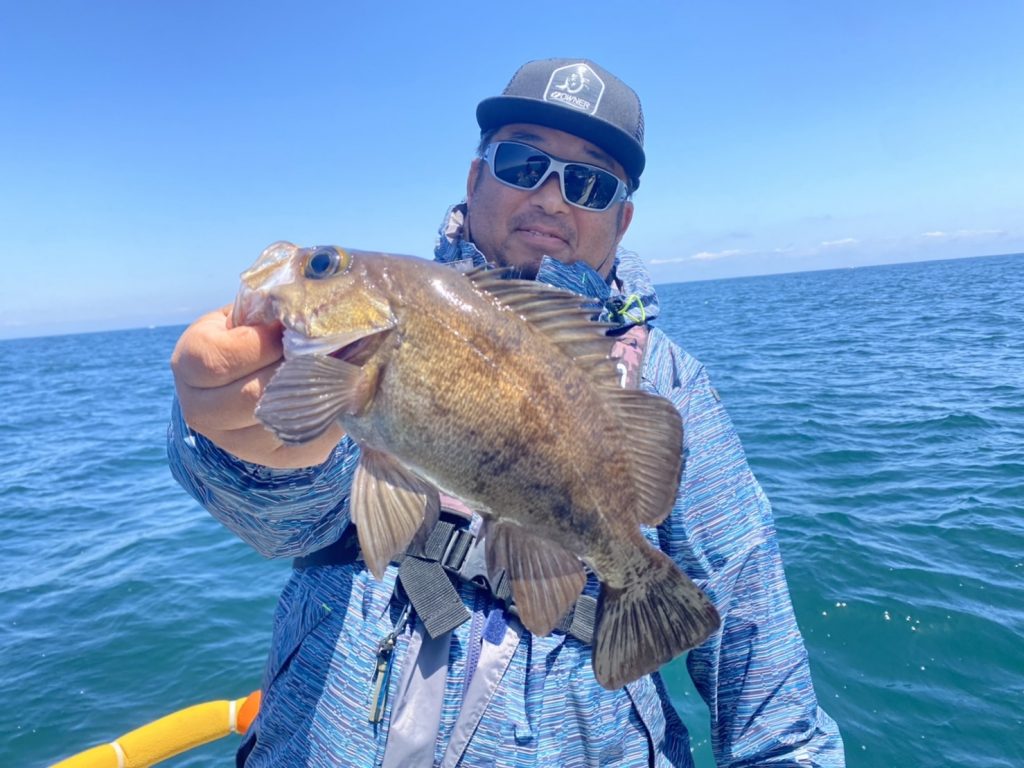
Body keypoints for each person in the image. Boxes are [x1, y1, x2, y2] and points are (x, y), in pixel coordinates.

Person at [168, 58, 845, 767]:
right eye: (524, 162)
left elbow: (764, 672)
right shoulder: (347, 343)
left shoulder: (669, 385)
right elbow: (286, 520)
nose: (551, 197)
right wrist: (242, 444)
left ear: (623, 219)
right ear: (474, 179)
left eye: (589, 183)